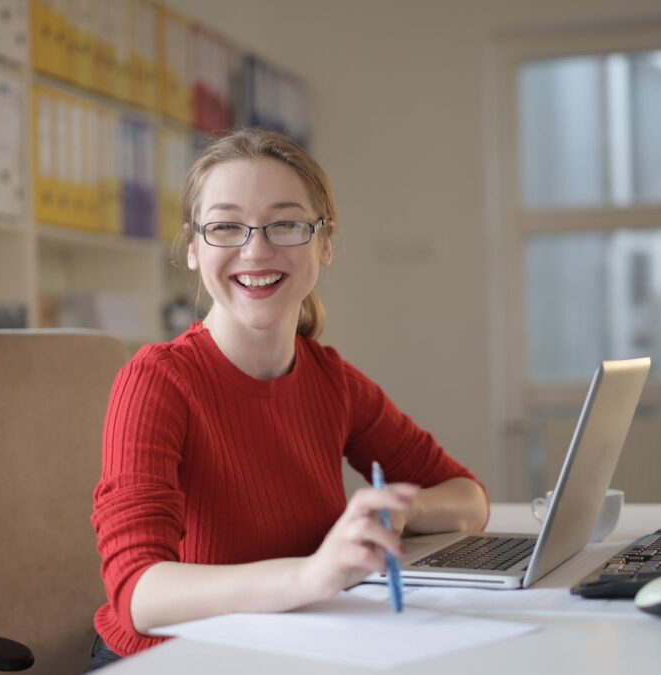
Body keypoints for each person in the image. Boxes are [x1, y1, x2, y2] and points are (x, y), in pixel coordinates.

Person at [86, 128, 489, 670]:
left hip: (285, 650)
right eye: (226, 226)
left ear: (324, 243)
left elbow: (469, 499)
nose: (256, 249)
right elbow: (139, 596)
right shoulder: (157, 381)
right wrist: (313, 575)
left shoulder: (332, 380)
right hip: (172, 660)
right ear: (192, 248)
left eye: (285, 225)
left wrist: (395, 511)